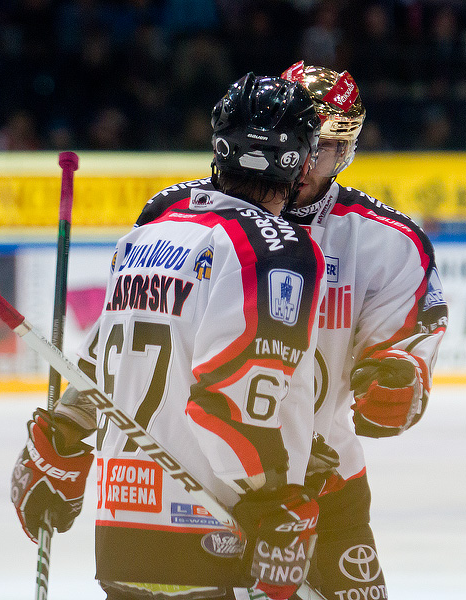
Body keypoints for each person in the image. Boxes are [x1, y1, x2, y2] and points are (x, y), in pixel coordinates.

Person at [134, 62, 449, 600]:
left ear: (345, 153)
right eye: (300, 142)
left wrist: (398, 376)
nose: (303, 163)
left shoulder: (385, 242)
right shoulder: (180, 215)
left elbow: (405, 342)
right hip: (199, 477)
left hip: (325, 478)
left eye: (323, 149)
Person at [9, 73, 328, 600]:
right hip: (221, 540)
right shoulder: (274, 250)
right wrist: (275, 504)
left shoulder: (151, 230)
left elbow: (100, 360)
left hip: (122, 535)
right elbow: (227, 403)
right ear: (300, 161)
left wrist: (62, 435)